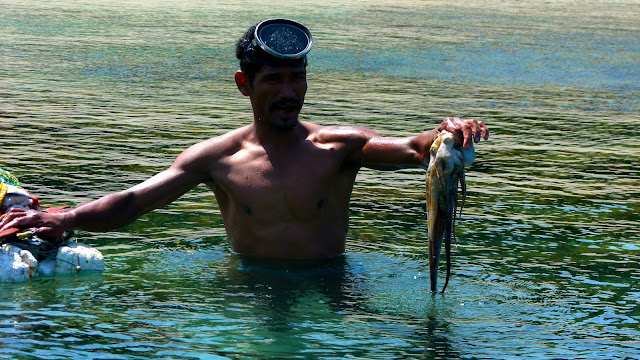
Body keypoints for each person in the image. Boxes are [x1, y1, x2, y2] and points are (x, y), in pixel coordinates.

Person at [0, 19, 488, 259]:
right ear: (244, 84)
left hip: (333, 290)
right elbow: (132, 202)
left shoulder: (339, 147)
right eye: (274, 79)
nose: (289, 91)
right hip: (248, 294)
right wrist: (64, 217)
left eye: (297, 77)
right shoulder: (217, 159)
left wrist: (447, 134)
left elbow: (411, 148)